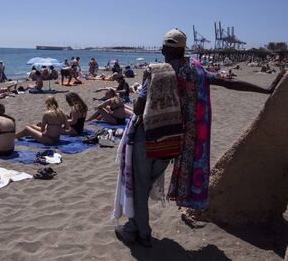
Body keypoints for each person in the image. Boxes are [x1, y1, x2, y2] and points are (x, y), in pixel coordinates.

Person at [114, 28, 282, 247]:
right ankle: (135, 226)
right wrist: (266, 89)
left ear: (165, 48)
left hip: (149, 137)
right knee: (144, 186)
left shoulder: (156, 70)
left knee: (139, 184)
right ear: (183, 49)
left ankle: (141, 232)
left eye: (164, 47)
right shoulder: (196, 70)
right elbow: (228, 83)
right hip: (175, 142)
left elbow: (138, 108)